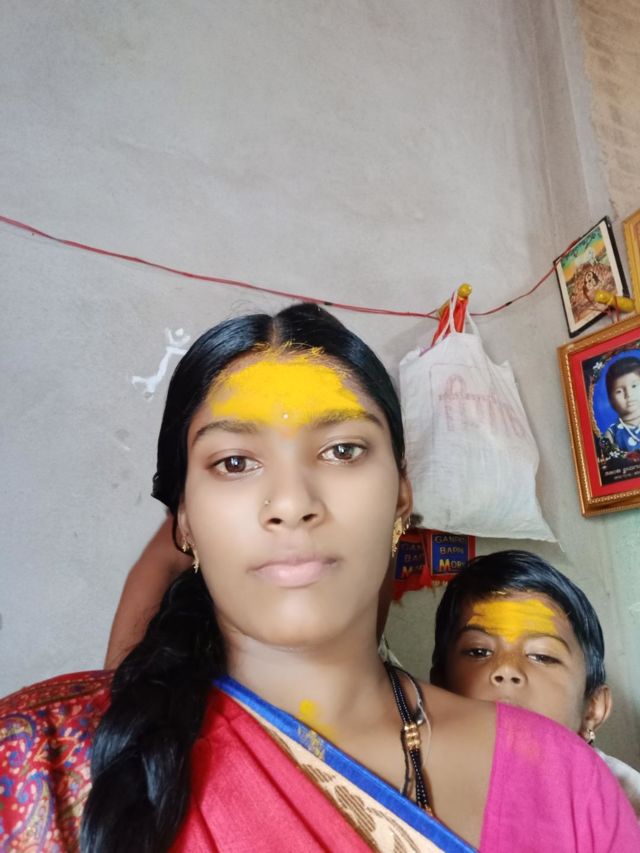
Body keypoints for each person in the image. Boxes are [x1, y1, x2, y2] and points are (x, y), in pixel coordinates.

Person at [1, 305, 638, 853]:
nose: (292, 502)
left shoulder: (565, 780)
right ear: (185, 520)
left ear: (400, 496)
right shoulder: (47, 758)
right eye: (235, 461)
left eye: (341, 450)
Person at [430, 549, 640, 821]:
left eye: (542, 656)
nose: (506, 669)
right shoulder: (414, 788)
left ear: (592, 708)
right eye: (479, 651)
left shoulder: (627, 807)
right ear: (439, 689)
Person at [602, 356, 640, 452]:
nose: (628, 394)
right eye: (619, 391)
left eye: (634, 386)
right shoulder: (611, 435)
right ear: (611, 399)